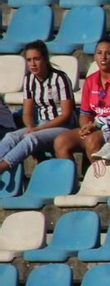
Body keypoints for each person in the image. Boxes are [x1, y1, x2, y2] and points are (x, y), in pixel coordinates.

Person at [0, 42, 74, 183]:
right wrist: (30, 127)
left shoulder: (60, 78)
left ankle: (4, 165)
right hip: (41, 123)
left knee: (31, 138)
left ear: (45, 59)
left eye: (36, 59)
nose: (33, 64)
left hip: (63, 126)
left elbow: (66, 114)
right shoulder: (29, 79)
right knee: (11, 136)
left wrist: (37, 129)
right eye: (29, 60)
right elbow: (27, 112)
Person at [51, 38, 110, 165]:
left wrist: (95, 126)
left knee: (92, 140)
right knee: (61, 141)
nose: (103, 57)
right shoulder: (90, 80)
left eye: (108, 53)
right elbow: (85, 113)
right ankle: (72, 182)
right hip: (94, 127)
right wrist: (86, 127)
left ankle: (100, 181)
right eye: (99, 53)